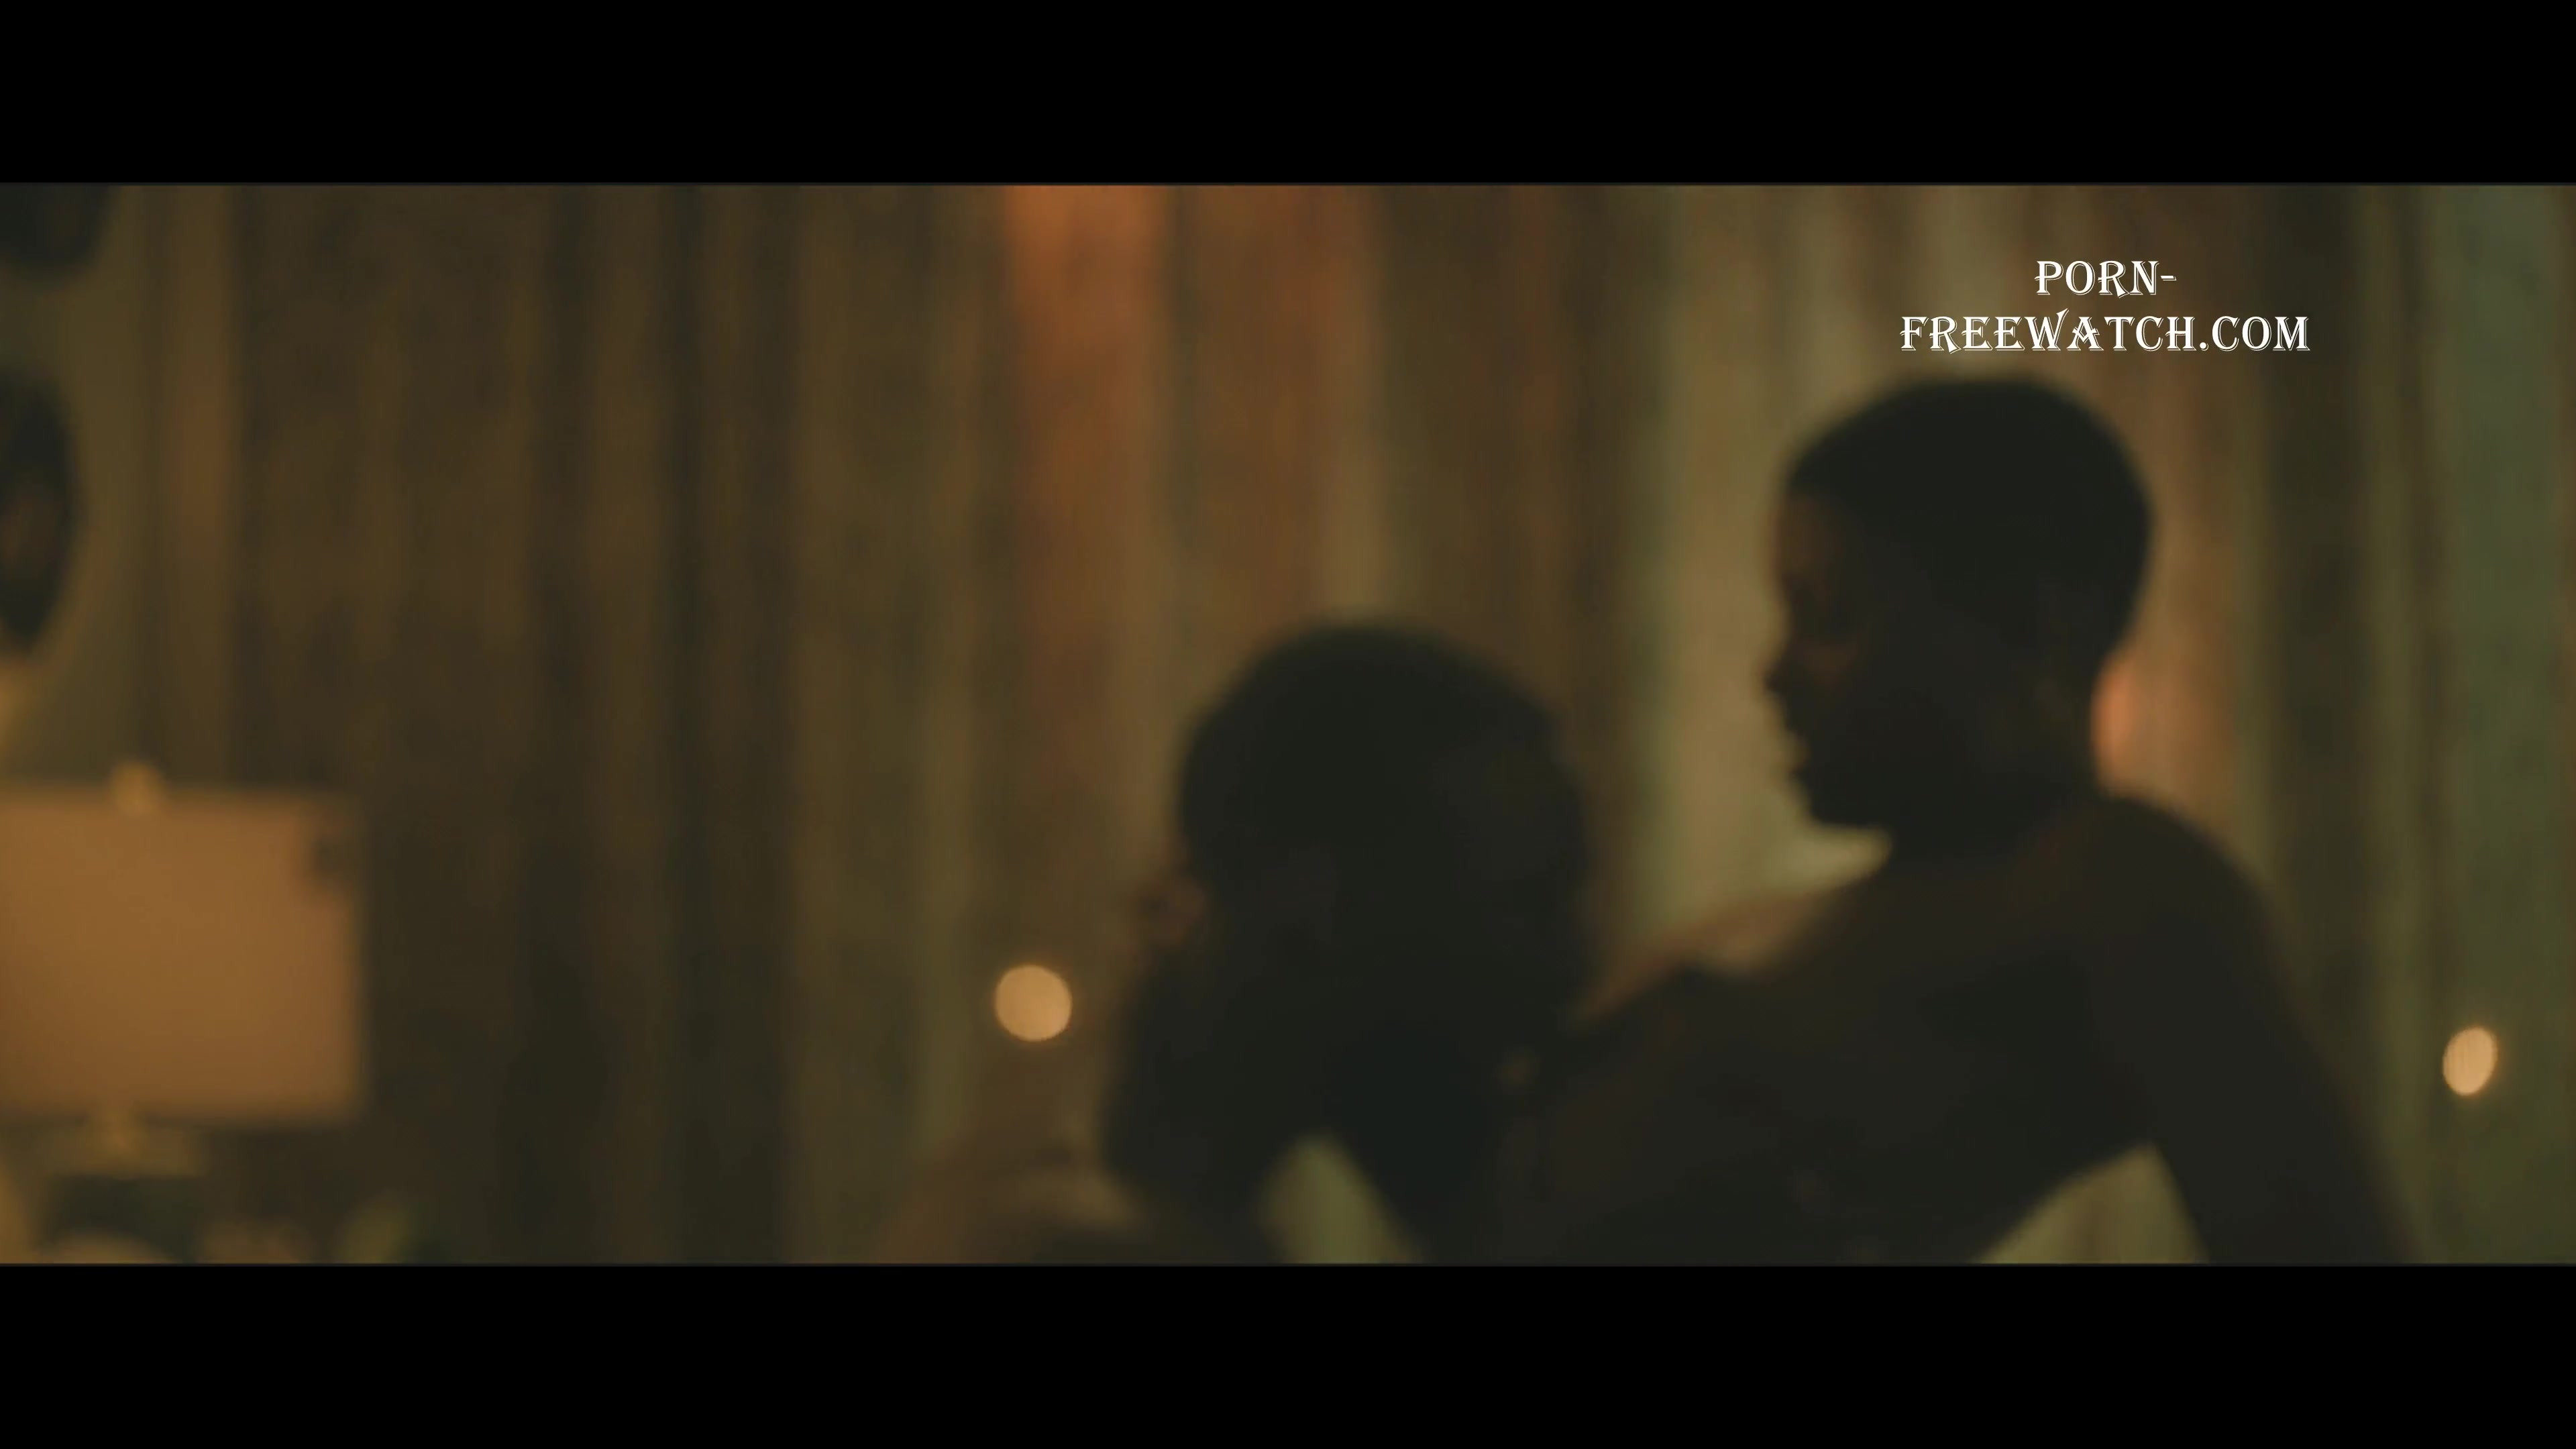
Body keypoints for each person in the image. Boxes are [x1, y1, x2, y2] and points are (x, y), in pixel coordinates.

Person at [1484, 378, 2408, 1265]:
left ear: (2035, 624)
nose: (1774, 674)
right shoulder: (1863, 905)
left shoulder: (2114, 885)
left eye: (1828, 619)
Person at [873, 623, 1595, 1263]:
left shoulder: (1086, 1173)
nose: (1571, 972)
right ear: (1312, 901)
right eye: (1523, 909)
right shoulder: (1091, 1246)